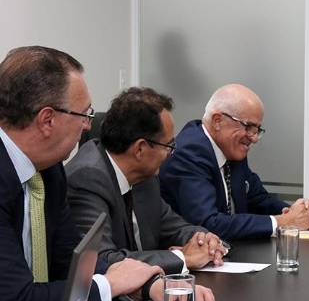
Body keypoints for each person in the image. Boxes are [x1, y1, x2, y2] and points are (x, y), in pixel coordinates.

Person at [0, 46, 212, 301]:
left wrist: (148, 284)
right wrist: (109, 285)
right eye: (84, 114)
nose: (88, 126)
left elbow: (72, 265)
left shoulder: (49, 171)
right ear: (47, 120)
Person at [67, 87, 226, 274]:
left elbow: (175, 227)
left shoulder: (144, 176)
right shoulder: (87, 179)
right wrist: (183, 258)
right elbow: (100, 260)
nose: (170, 154)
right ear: (140, 149)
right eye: (169, 146)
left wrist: (205, 240)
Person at [160, 84, 309, 240]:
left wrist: (296, 212)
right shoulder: (189, 154)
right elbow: (208, 224)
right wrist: (282, 222)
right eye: (248, 127)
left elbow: (258, 199)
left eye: (257, 129)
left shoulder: (231, 148)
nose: (254, 138)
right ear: (217, 121)